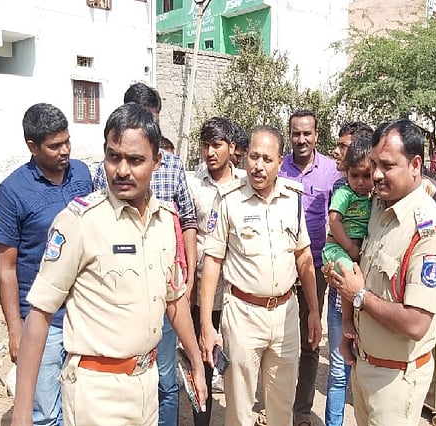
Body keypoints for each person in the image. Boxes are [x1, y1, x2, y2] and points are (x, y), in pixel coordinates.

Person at [10, 102, 207, 426]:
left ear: (157, 162)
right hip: (96, 393)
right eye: (114, 157)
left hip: (147, 386)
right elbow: (40, 315)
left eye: (135, 160)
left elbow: (174, 301)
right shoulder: (79, 222)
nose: (122, 170)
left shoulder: (164, 222)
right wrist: (21, 413)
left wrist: (196, 363)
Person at [326, 118, 436, 426]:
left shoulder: (428, 234)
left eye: (387, 166)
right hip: (364, 365)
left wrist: (358, 295)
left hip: (396, 382)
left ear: (415, 165)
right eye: (373, 164)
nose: (376, 174)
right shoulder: (378, 207)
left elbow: (416, 323)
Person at [199, 126, 322, 426]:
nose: (258, 165)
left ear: (280, 162)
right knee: (239, 408)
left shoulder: (293, 199)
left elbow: (303, 256)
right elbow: (213, 261)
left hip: (285, 315)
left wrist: (314, 311)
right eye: (254, 157)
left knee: (281, 406)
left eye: (267, 159)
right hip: (243, 315)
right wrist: (206, 325)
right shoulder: (229, 199)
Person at [92, 82, 198, 426]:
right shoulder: (104, 178)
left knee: (165, 378)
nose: (125, 169)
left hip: (164, 286)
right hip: (120, 292)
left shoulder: (173, 168)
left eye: (152, 119)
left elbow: (188, 222)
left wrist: (187, 278)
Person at [0, 103, 93, 426]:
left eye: (67, 141)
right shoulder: (12, 192)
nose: (65, 150)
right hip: (42, 322)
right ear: (32, 147)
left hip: (84, 314)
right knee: (46, 413)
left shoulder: (82, 174)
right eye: (54, 145)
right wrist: (15, 330)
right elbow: (6, 268)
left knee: (82, 407)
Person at [278, 109, 341, 426]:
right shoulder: (278, 168)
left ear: (316, 135)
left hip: (315, 267)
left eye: (307, 133)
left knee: (310, 339)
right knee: (277, 337)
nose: (301, 139)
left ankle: (301, 411)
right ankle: (277, 405)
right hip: (280, 266)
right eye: (295, 133)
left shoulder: (331, 171)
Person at [187, 117, 246, 426]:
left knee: (239, 365)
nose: (210, 152)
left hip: (236, 294)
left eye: (217, 145)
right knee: (203, 363)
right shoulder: (192, 184)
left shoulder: (246, 184)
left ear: (231, 147)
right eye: (205, 145)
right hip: (203, 294)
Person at [322, 128, 373, 426]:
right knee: (339, 372)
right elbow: (334, 222)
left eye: (367, 175)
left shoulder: (377, 198)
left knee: (363, 372)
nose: (361, 181)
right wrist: (352, 249)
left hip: (368, 297)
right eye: (356, 175)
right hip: (342, 258)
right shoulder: (343, 191)